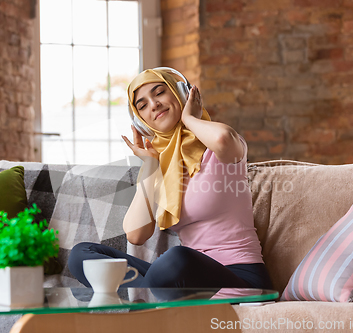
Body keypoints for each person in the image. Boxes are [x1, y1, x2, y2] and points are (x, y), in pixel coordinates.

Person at [68, 67, 272, 290]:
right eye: (142, 105)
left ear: (181, 94)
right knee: (81, 256)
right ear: (140, 121)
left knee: (175, 260)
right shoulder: (160, 169)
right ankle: (157, 291)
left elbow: (223, 138)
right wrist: (151, 165)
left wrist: (189, 118)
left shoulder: (220, 151)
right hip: (185, 280)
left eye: (159, 93)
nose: (153, 105)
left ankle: (151, 293)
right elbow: (136, 234)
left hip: (239, 276)